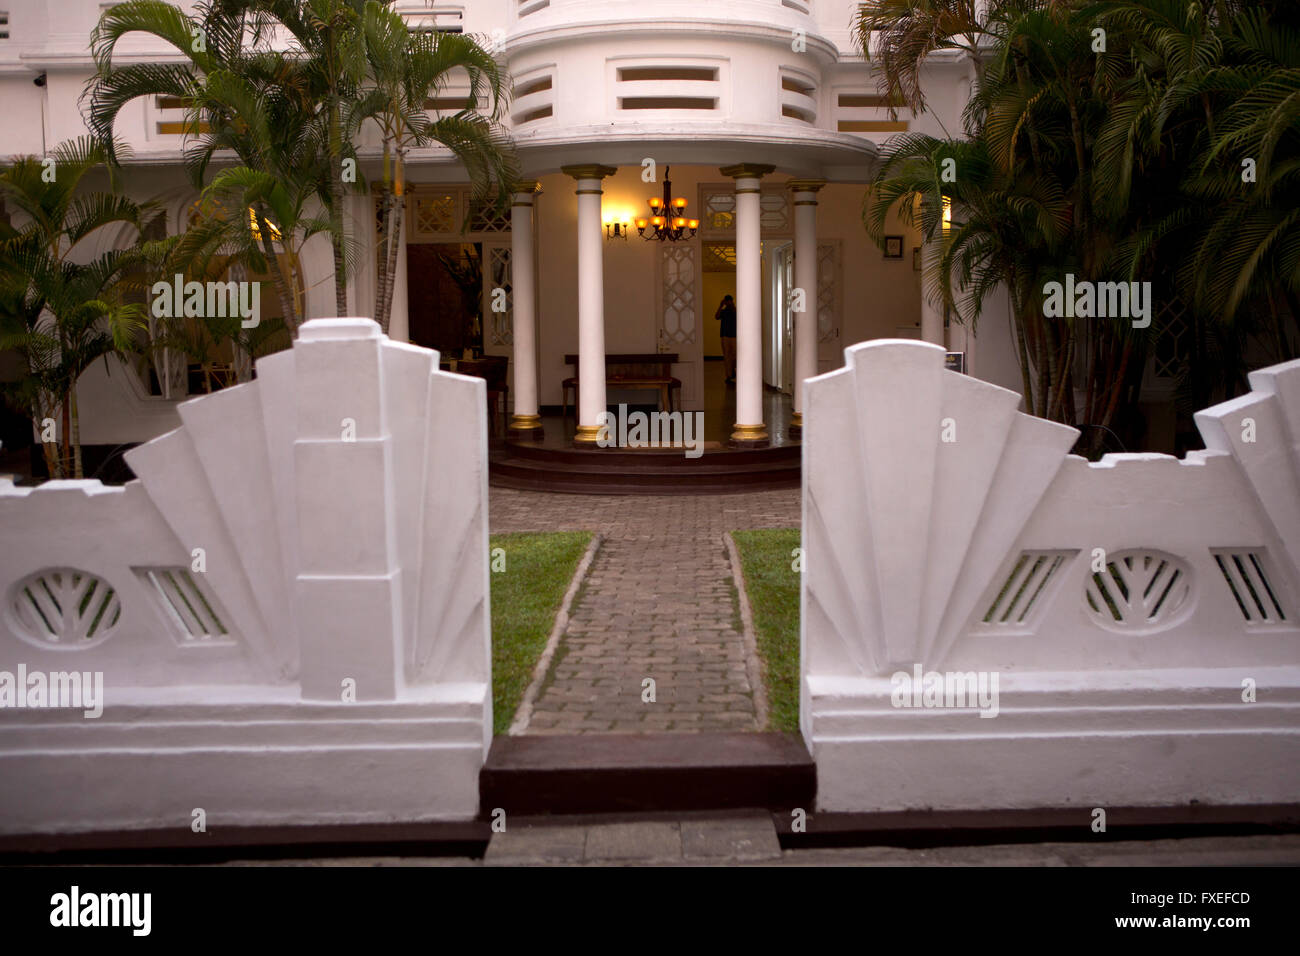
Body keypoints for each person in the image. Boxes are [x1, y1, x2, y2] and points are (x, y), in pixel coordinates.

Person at [715, 295, 737, 384]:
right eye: (726, 301)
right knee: (727, 356)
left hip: (735, 336)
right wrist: (720, 306)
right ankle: (728, 376)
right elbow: (716, 317)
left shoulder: (735, 310)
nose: (728, 302)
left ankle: (732, 371)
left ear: (732, 301)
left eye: (729, 301)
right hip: (725, 336)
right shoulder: (723, 311)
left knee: (735, 355)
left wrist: (733, 306)